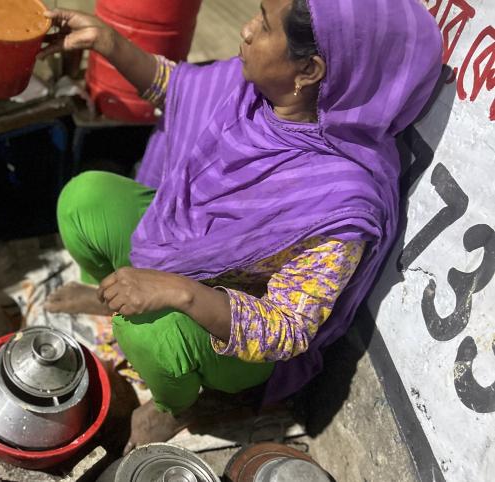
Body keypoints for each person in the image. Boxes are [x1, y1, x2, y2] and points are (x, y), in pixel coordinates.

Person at [40, 0, 443, 452]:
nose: (247, 30)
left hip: (232, 326)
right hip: (180, 244)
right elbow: (177, 90)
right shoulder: (251, 89)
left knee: (148, 329)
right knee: (85, 198)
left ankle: (174, 406)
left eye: (264, 24)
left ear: (308, 70)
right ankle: (109, 294)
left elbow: (286, 327)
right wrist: (108, 41)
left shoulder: (341, 199)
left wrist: (180, 291)